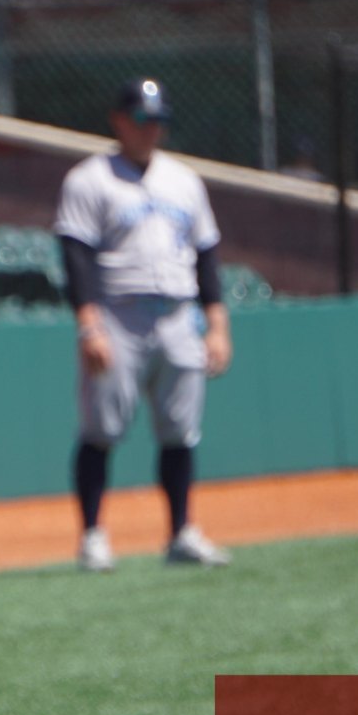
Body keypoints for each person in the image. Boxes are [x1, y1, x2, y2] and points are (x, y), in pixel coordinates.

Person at [54, 77, 234, 572]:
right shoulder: (89, 180)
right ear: (118, 121)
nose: (151, 128)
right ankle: (93, 536)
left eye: (158, 120)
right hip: (118, 313)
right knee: (102, 429)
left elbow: (207, 256)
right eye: (141, 119)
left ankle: (181, 533)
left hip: (178, 314)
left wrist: (217, 325)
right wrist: (89, 325)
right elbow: (75, 256)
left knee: (180, 431)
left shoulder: (184, 180)